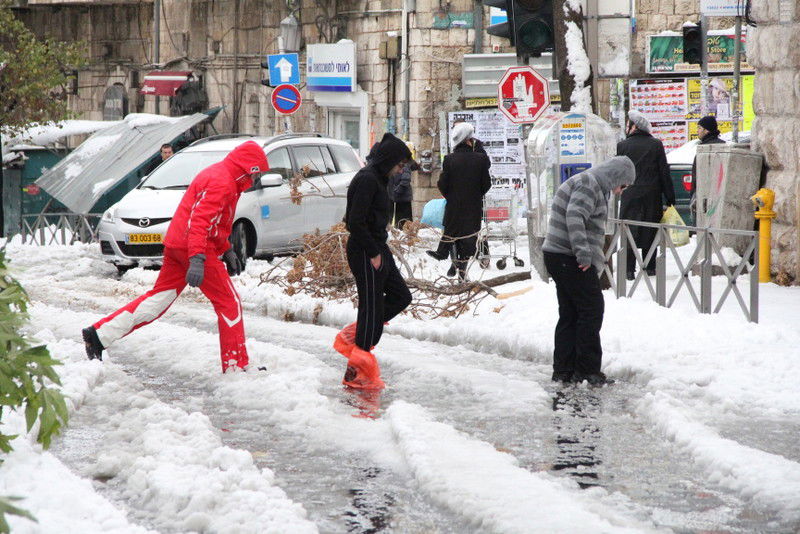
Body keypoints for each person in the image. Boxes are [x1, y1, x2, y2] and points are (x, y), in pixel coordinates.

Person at [81, 141, 269, 373]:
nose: (257, 179)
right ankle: (236, 366)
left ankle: (98, 335)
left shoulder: (221, 175)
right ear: (248, 168)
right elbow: (199, 222)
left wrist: (226, 248)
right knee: (229, 302)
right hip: (195, 248)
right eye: (257, 173)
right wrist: (197, 258)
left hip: (178, 245)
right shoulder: (223, 183)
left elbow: (216, 221)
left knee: (158, 300)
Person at [542, 156, 635, 385]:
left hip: (560, 254)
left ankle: (564, 370)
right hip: (569, 256)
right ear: (615, 176)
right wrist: (582, 252)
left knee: (571, 313)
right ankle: (587, 370)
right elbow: (575, 216)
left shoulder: (593, 184)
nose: (621, 191)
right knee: (591, 309)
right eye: (623, 185)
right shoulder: (589, 183)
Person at [332, 133, 413, 390]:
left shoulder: (379, 178)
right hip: (365, 250)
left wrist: (379, 249)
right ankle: (356, 374)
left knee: (401, 296)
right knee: (370, 306)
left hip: (378, 246)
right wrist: (373, 252)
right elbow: (354, 222)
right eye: (400, 165)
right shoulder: (367, 179)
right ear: (389, 159)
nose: (401, 170)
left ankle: (356, 333)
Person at [425, 122, 492, 280]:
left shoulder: (449, 159)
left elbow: (442, 183)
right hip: (473, 205)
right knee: (469, 237)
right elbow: (486, 184)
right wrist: (475, 195)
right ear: (469, 141)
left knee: (452, 232)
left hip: (454, 205)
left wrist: (452, 196)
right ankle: (462, 271)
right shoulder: (481, 159)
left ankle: (444, 254)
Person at [616, 110, 676, 280]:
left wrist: (619, 189)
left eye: (628, 125)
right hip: (652, 195)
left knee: (629, 230)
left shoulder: (622, 146)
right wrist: (670, 198)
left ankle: (628, 270)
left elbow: (618, 170)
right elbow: (664, 172)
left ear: (634, 126)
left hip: (629, 194)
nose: (626, 128)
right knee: (650, 229)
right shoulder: (656, 145)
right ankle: (650, 267)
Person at [690, 115, 726, 222]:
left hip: (705, 197)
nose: (697, 131)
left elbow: (697, 177)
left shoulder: (704, 149)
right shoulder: (723, 145)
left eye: (699, 128)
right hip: (720, 196)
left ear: (706, 130)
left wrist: (693, 196)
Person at [387, 157, 418, 230]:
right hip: (394, 196)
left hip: (403, 197)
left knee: (404, 222)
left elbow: (405, 181)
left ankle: (405, 234)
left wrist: (396, 191)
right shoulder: (392, 163)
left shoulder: (404, 163)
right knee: (394, 220)